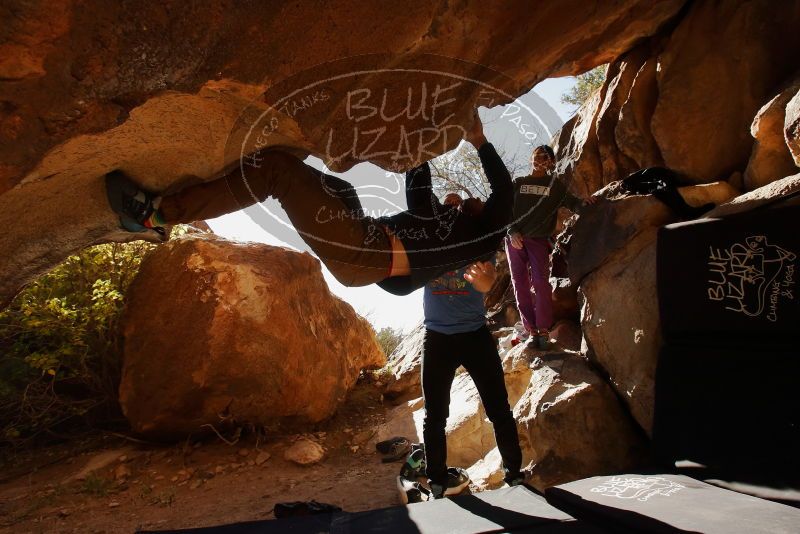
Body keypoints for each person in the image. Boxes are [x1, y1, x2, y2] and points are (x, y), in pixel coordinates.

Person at [105, 112, 512, 296]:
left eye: (479, 202)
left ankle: (155, 215)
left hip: (364, 254)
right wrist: (421, 143)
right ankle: (163, 217)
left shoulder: (482, 239)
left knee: (277, 170)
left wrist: (479, 142)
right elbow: (418, 188)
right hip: (367, 236)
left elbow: (503, 195)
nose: (474, 198)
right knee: (345, 192)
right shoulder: (444, 223)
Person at [420, 222, 524, 498]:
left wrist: (487, 283)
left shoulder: (479, 246)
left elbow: (488, 280)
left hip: (475, 335)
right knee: (435, 415)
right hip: (437, 337)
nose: (453, 207)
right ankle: (438, 482)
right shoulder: (429, 247)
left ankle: (514, 474)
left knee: (499, 408)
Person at [506, 145, 594, 348]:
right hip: (515, 240)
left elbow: (573, 203)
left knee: (541, 283)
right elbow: (505, 211)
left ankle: (543, 329)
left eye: (546, 157)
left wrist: (586, 203)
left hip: (538, 240)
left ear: (551, 163)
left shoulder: (555, 186)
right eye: (537, 156)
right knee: (520, 284)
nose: (541, 160)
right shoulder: (518, 183)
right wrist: (511, 231)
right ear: (531, 159)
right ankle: (530, 330)